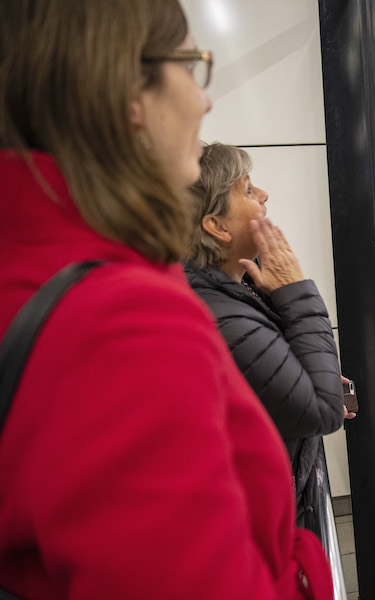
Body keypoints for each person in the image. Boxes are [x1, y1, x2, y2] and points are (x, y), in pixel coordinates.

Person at [0, 2, 331, 598]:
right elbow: (317, 405)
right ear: (129, 90)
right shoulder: (125, 320)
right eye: (189, 64)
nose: (204, 100)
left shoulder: (40, 262)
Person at [183, 143, 346, 531]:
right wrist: (295, 290)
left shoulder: (237, 285)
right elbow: (323, 410)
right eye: (247, 189)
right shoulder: (217, 313)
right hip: (260, 524)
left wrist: (298, 373)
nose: (264, 195)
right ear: (217, 226)